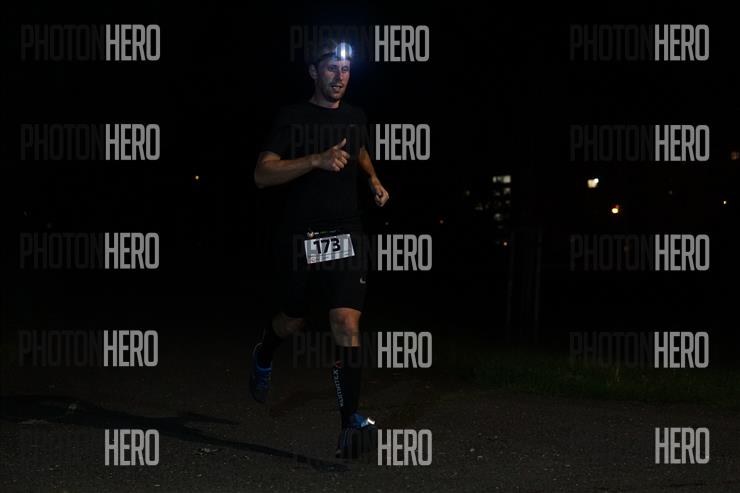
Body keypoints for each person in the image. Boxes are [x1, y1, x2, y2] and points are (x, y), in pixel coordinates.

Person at [250, 40, 389, 459]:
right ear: (313, 72)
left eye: (345, 69)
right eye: (331, 68)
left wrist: (373, 179)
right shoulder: (293, 117)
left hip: (347, 232)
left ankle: (349, 423)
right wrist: (315, 160)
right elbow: (262, 174)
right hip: (301, 236)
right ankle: (264, 351)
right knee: (291, 321)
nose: (340, 76)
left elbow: (359, 149)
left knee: (346, 321)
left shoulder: (356, 115)